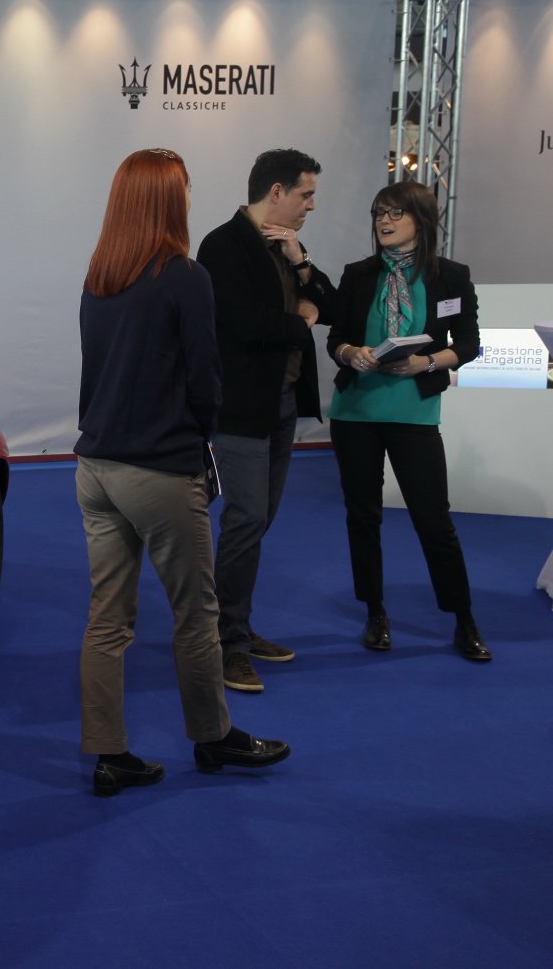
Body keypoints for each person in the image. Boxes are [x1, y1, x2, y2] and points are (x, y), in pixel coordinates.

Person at [75, 148, 290, 797]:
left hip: (96, 467)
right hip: (160, 470)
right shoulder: (185, 277)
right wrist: (201, 440)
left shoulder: (99, 278)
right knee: (196, 613)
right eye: (186, 189)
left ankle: (109, 754)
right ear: (171, 200)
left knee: (107, 620)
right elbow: (204, 380)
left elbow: (94, 377)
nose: (192, 198)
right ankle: (213, 737)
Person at [326, 182, 489, 661]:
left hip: (414, 413)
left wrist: (428, 362)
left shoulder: (450, 276)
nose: (384, 221)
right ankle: (375, 611)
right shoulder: (359, 274)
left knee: (433, 518)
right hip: (355, 412)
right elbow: (336, 337)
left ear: (422, 219)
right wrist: (351, 352)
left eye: (396, 212)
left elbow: (469, 343)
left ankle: (463, 618)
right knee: (363, 516)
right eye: (379, 212)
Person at [196, 149, 337, 693]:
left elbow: (335, 306)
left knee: (259, 520)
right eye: (306, 194)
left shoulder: (286, 246)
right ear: (276, 192)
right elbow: (243, 326)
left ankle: (235, 626)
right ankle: (225, 642)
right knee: (246, 519)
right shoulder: (222, 245)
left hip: (282, 404)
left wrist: (302, 264)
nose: (311, 205)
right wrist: (302, 321)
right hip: (241, 407)